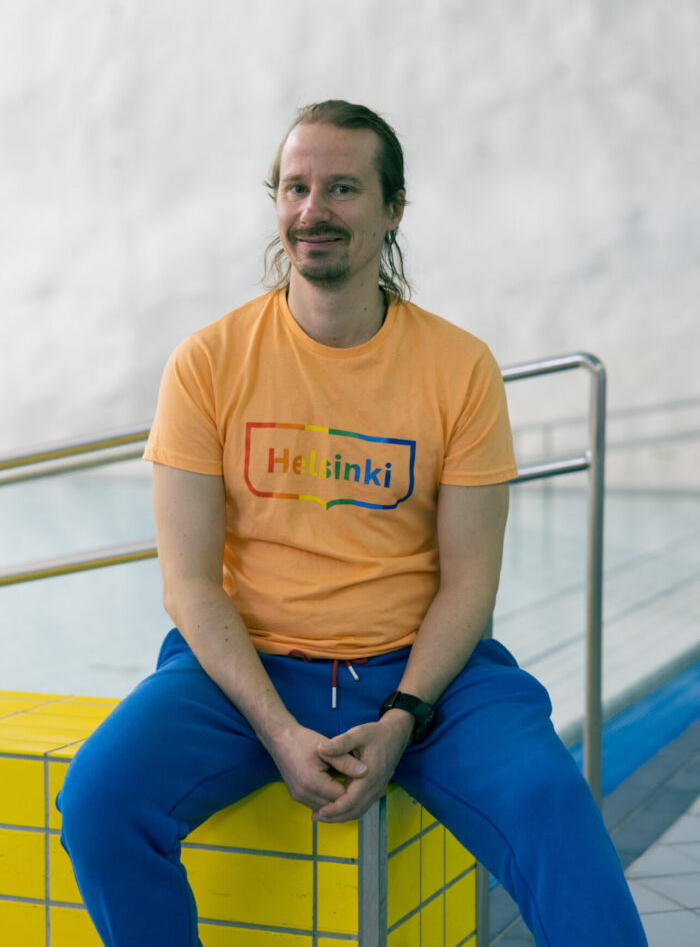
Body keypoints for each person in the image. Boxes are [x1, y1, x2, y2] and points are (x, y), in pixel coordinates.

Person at [58, 100, 647, 946]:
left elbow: (470, 584)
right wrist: (278, 729)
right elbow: (188, 585)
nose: (313, 210)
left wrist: (406, 714)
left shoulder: (458, 367)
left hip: (424, 674)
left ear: (393, 208)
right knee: (100, 800)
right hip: (246, 672)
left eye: (342, 188)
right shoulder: (208, 363)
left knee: (551, 807)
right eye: (295, 188)